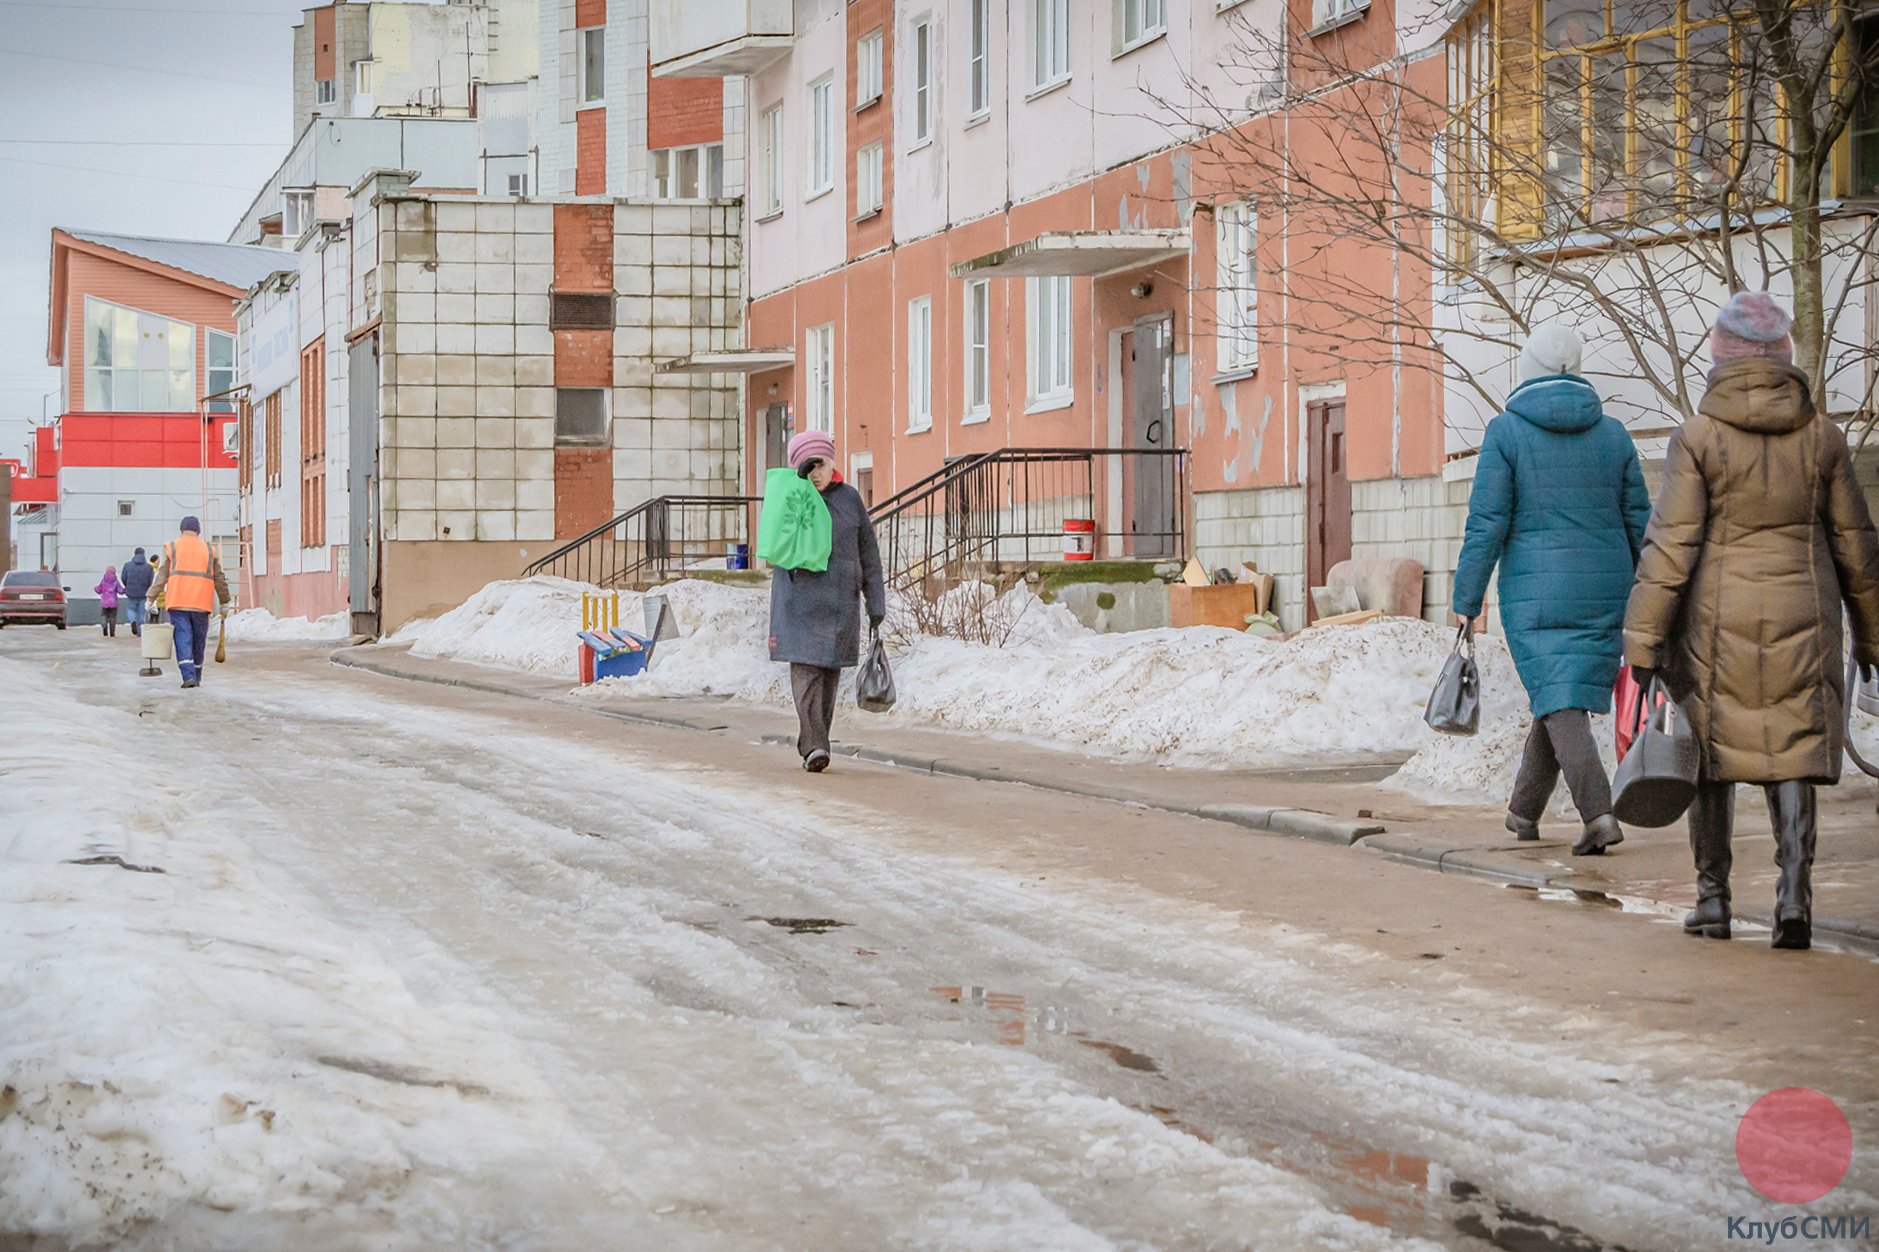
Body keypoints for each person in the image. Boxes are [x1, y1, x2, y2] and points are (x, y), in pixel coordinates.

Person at [1626, 292, 1879, 951]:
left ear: (1721, 353)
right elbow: (1857, 544)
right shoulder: (1822, 437)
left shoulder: (1697, 438)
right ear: (1783, 357)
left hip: (1714, 624)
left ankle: (1712, 899)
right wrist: (1872, 635)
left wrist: (1643, 641)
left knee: (1707, 756)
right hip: (1803, 614)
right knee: (1793, 751)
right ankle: (1793, 897)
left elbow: (1670, 546)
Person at [1453, 323, 1653, 855]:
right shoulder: (1613, 434)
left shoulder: (1506, 432)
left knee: (1558, 697)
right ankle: (1523, 812)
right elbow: (1641, 520)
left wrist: (1466, 600)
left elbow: (1487, 523)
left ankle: (1598, 813)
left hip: (1535, 593)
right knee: (1558, 695)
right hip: (1607, 588)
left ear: (1528, 369)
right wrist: (1654, 590)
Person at [767, 430, 886, 773]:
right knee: (806, 674)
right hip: (799, 601)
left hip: (839, 605)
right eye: (808, 467)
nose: (815, 473)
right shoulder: (791, 497)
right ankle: (815, 744)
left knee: (829, 678)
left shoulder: (849, 499)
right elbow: (775, 540)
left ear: (832, 462)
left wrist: (875, 600)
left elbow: (869, 552)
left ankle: (815, 742)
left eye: (819, 464)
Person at [149, 515, 230, 689]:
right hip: (201, 603)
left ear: (181, 529)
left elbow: (162, 575)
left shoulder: (173, 547)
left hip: (178, 601)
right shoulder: (208, 550)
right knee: (199, 640)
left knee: (183, 637)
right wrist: (225, 601)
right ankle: (197, 675)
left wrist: (151, 597)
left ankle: (188, 676)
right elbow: (219, 578)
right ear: (198, 531)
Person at [121, 547, 154, 636]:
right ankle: (140, 631)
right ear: (143, 554)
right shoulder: (149, 567)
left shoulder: (127, 565)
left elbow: (123, 577)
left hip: (131, 592)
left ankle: (132, 621)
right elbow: (151, 580)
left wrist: (127, 586)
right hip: (143, 592)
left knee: (131, 609)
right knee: (141, 612)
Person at [93, 566, 123, 637]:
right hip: (113, 602)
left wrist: (95, 588)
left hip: (104, 602)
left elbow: (99, 590)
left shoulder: (103, 580)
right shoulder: (115, 581)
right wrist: (125, 590)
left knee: (104, 615)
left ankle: (104, 626)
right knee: (113, 617)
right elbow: (120, 590)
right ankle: (112, 632)